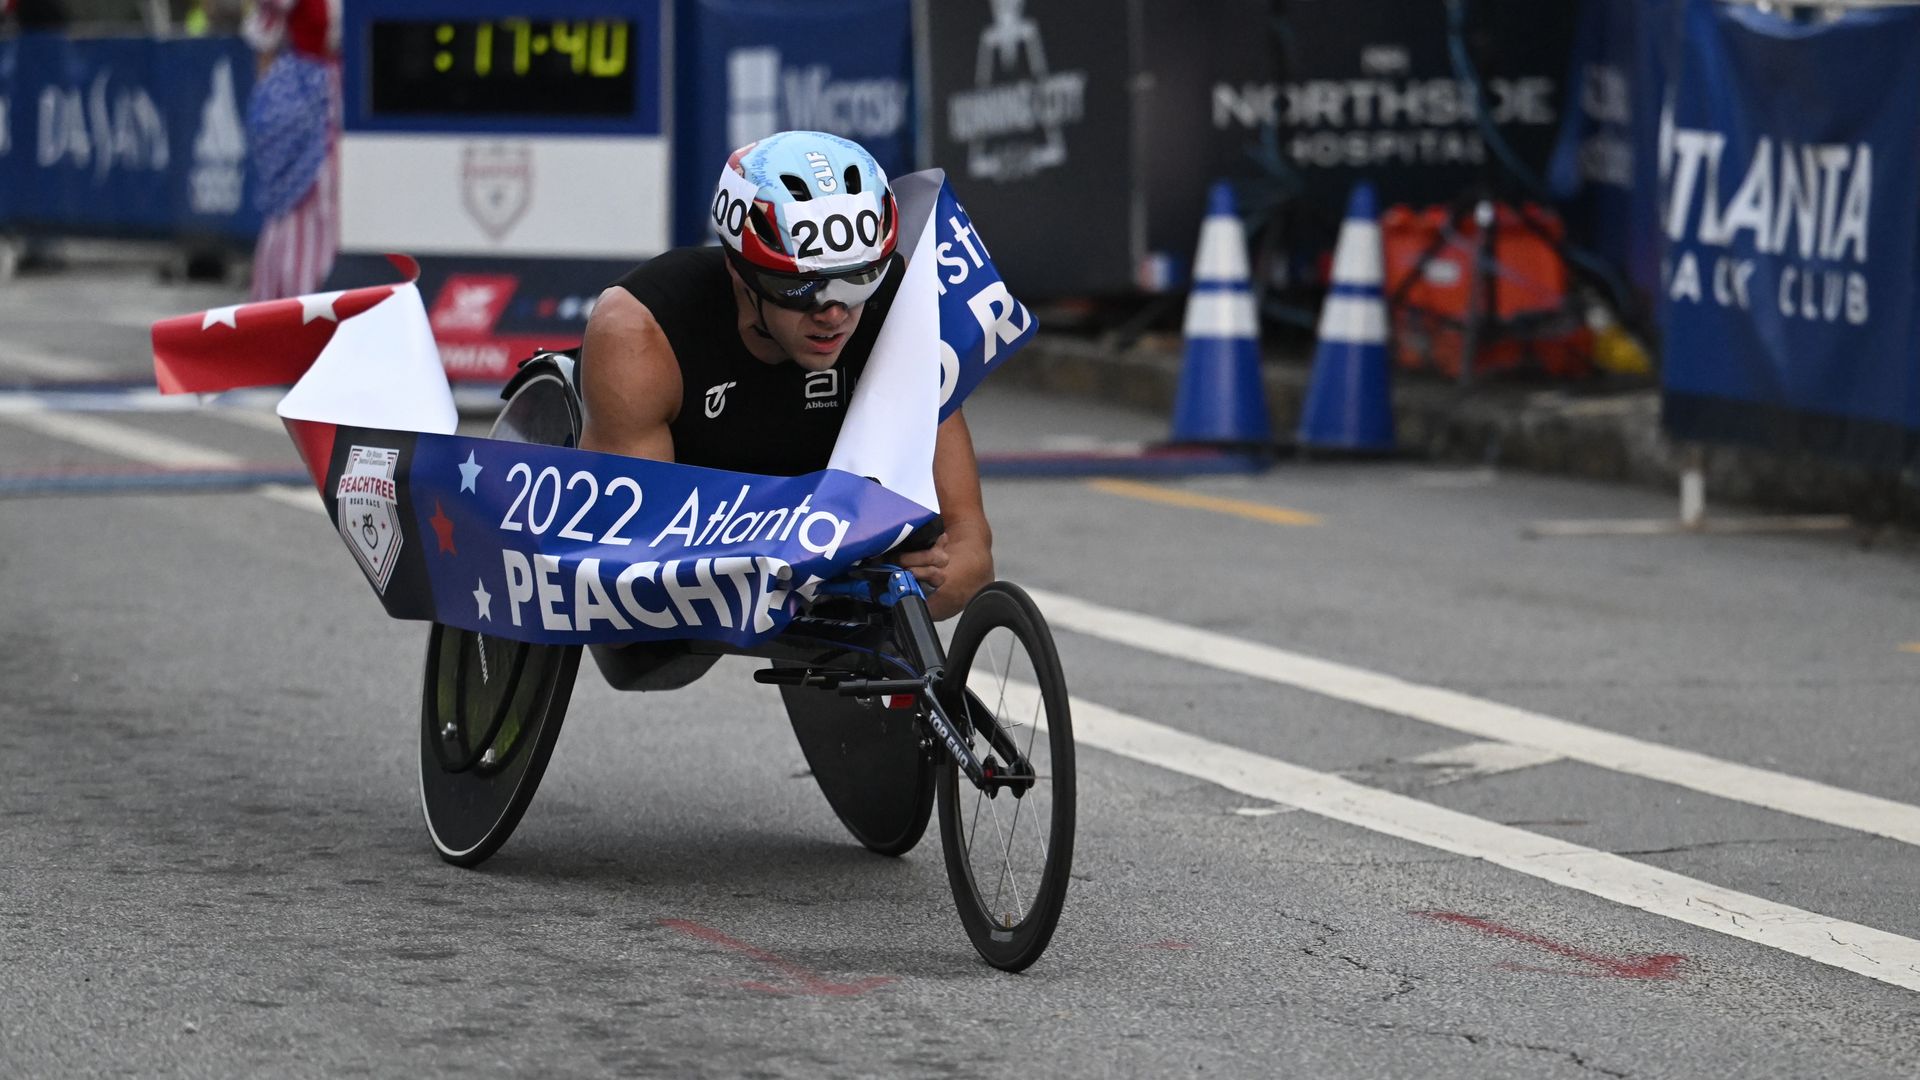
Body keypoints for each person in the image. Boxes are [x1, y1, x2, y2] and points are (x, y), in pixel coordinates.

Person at [579, 131, 992, 621]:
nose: (834, 313)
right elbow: (630, 570)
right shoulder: (641, 329)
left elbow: (973, 555)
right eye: (801, 288)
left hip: (817, 540)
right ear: (740, 272)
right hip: (689, 531)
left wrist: (922, 579)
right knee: (642, 659)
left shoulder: (902, 308)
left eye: (858, 278)